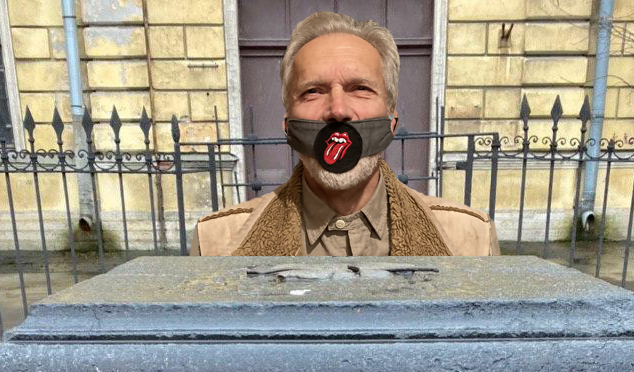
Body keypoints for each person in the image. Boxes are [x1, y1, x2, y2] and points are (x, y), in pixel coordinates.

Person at [190, 11, 499, 258]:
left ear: (392, 122)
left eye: (360, 88)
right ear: (288, 126)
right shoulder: (217, 243)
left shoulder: (470, 240)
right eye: (312, 91)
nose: (338, 110)